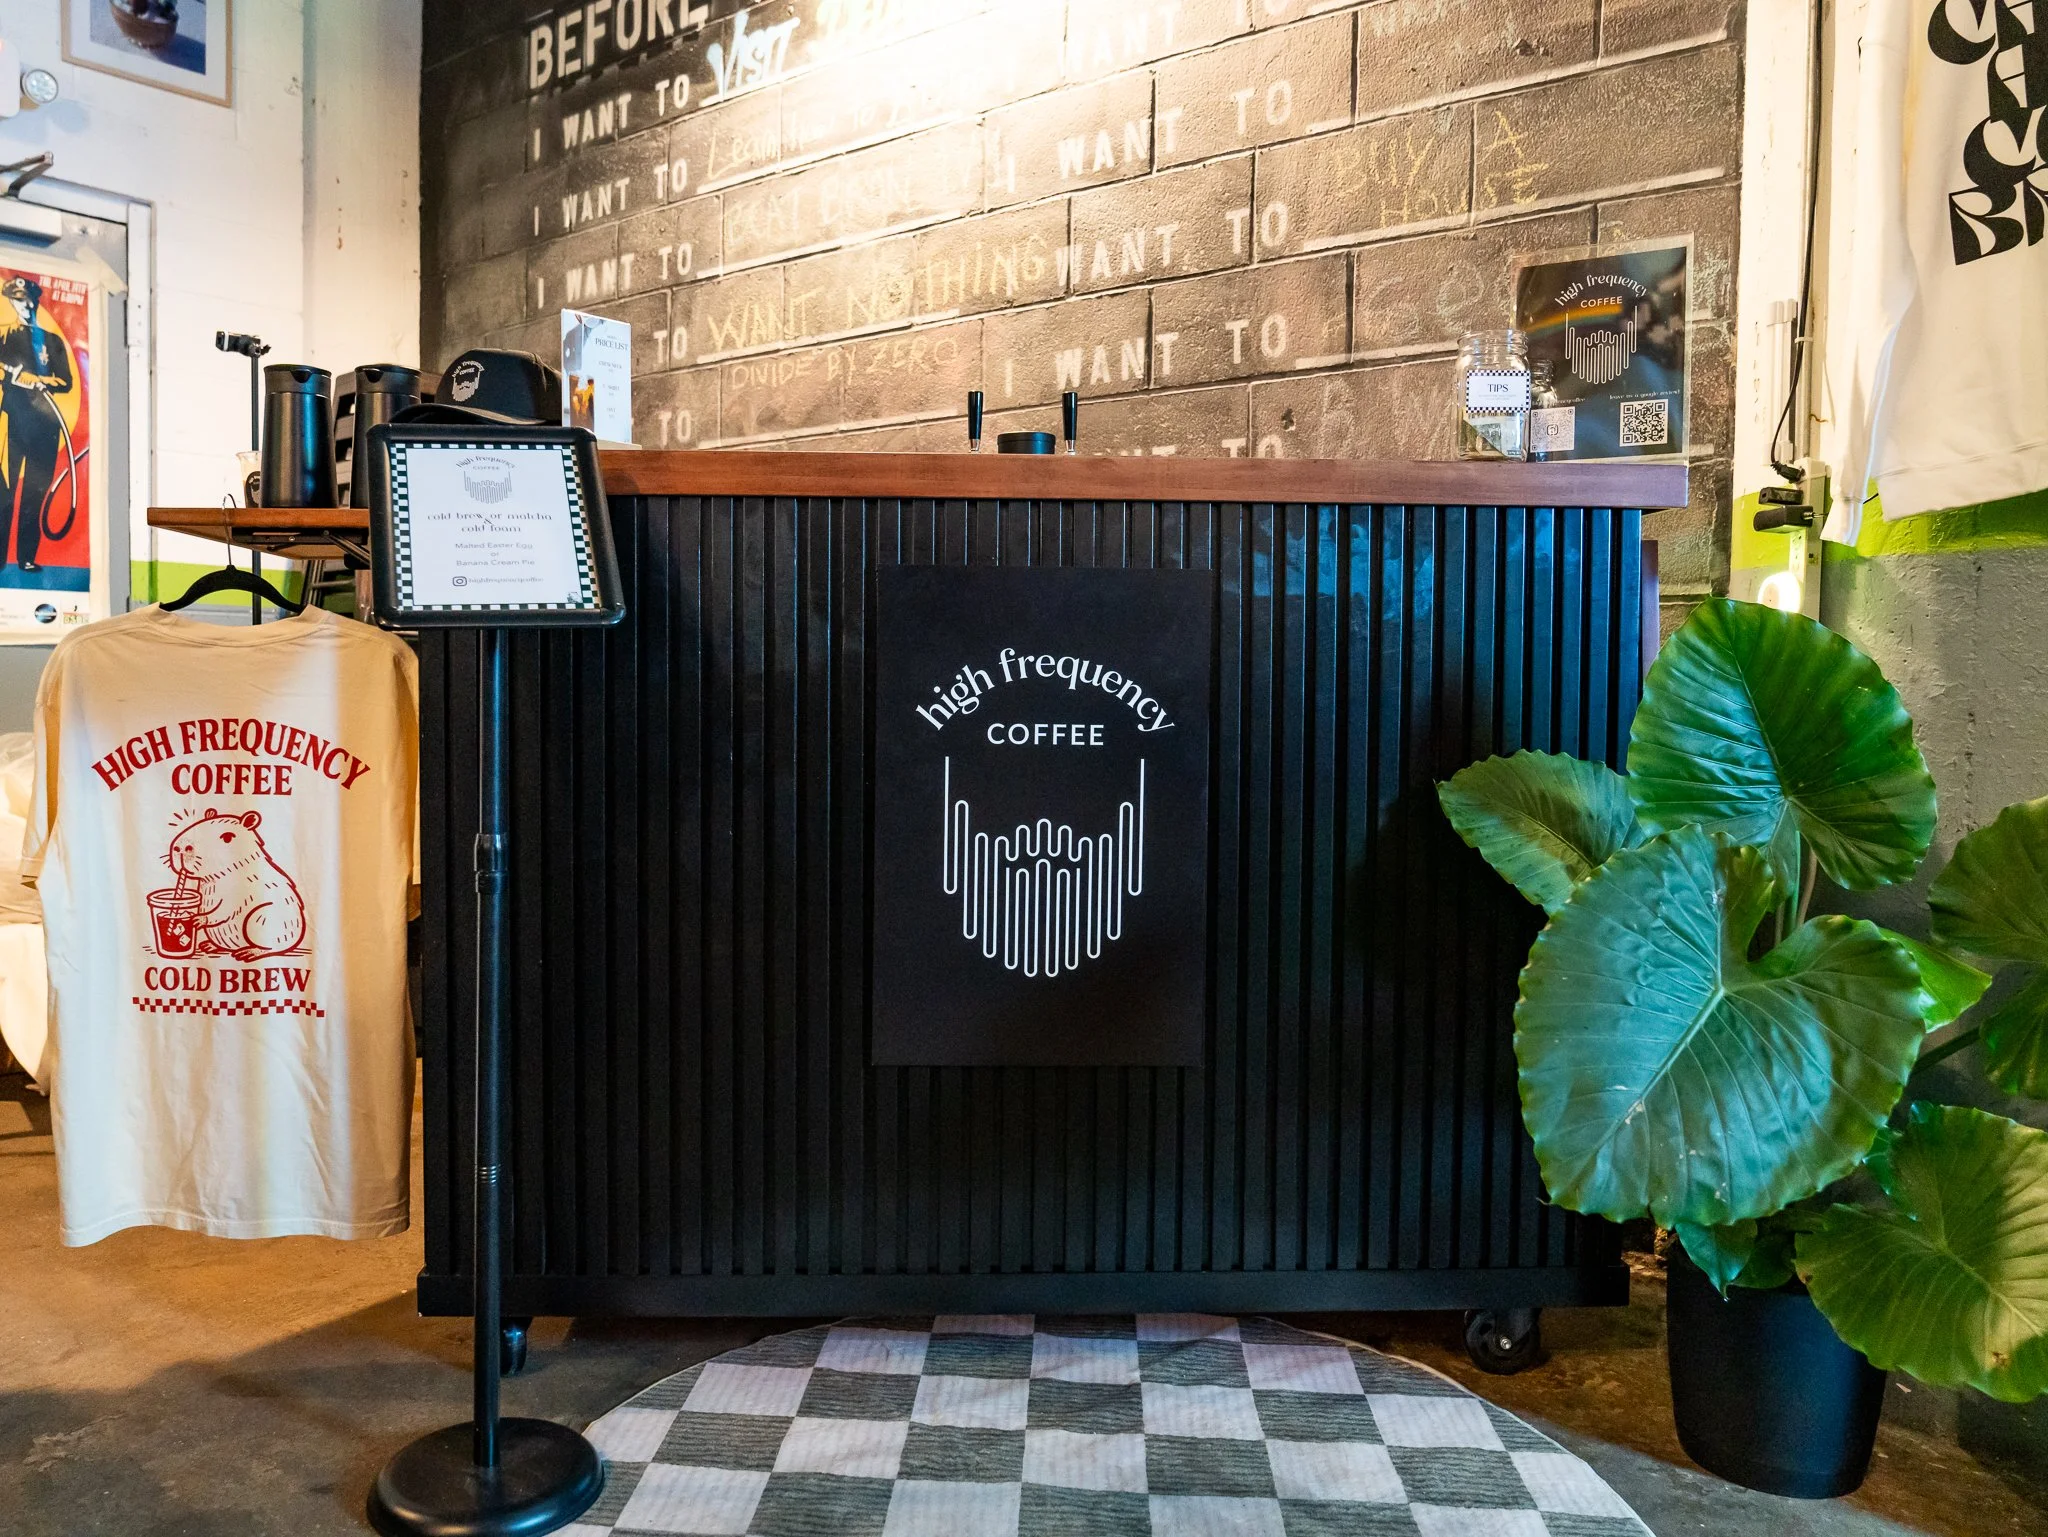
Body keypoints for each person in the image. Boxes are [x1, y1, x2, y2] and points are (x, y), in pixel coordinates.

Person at [0, 276, 74, 574]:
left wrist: (41, 381)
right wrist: (14, 376)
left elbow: (65, 381)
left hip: (45, 427)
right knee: (4, 492)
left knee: (34, 494)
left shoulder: (52, 341)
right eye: (19, 300)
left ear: (36, 302)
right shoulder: (3, 335)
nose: (25, 305)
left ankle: (26, 558)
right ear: (12, 302)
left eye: (29, 300)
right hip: (12, 424)